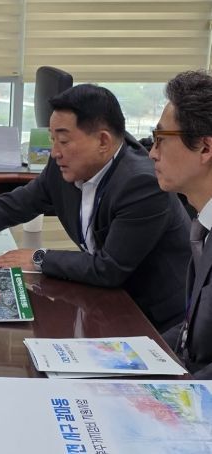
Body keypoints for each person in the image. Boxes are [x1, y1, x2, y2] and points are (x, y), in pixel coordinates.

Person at [0, 84, 191, 332]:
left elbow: (109, 268)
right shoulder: (65, 165)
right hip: (105, 302)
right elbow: (15, 204)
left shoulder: (141, 184)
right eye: (53, 139)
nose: (55, 152)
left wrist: (39, 257)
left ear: (103, 141)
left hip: (153, 318)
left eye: (63, 140)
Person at [149, 70, 212, 378]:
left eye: (161, 139)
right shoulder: (203, 225)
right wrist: (138, 357)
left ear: (205, 148)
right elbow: (191, 336)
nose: (152, 153)